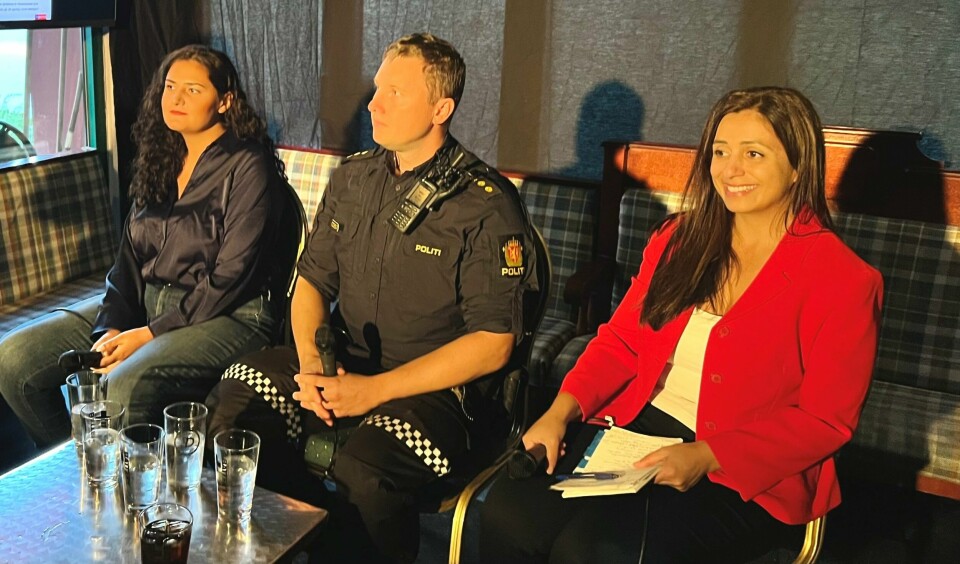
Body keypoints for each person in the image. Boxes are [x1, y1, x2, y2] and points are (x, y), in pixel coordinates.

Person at [478, 87, 884, 563]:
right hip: (634, 428)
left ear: (798, 166)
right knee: (509, 513)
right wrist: (558, 412)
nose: (731, 170)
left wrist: (708, 455)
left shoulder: (844, 279)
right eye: (720, 152)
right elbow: (621, 342)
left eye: (754, 154)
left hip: (743, 468)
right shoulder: (678, 238)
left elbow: (824, 421)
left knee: (595, 550)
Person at [204, 33, 539, 563]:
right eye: (377, 88)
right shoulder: (354, 177)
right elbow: (311, 282)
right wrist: (311, 366)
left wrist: (373, 392)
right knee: (233, 405)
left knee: (363, 471)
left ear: (441, 109)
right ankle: (278, 549)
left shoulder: (485, 205)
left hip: (439, 395)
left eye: (394, 93)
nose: (374, 104)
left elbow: (494, 343)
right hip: (343, 363)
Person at [0, 44, 287, 446]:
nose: (176, 99)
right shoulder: (161, 157)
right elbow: (128, 262)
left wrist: (149, 334)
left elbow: (231, 276)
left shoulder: (248, 165)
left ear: (225, 101)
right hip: (150, 305)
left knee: (123, 385)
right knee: (14, 360)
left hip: (231, 315)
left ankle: (124, 479)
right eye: (170, 86)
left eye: (192, 90)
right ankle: (84, 463)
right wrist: (112, 325)